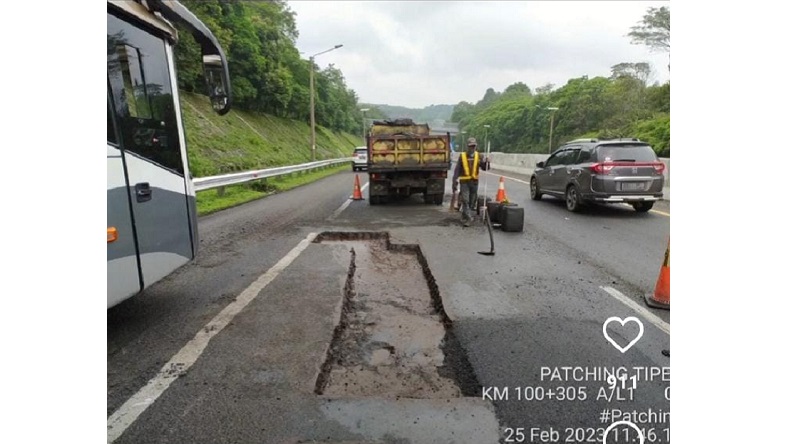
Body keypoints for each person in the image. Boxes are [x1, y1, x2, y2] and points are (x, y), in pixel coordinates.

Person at [452, 137, 490, 226]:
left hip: (474, 182)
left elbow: (485, 168)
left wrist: (487, 162)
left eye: (474, 146)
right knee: (465, 200)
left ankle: (464, 215)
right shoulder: (462, 156)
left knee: (472, 202)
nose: (472, 148)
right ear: (467, 146)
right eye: (470, 146)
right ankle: (469, 218)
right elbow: (457, 170)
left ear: (476, 146)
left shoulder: (479, 156)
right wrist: (454, 181)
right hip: (464, 182)